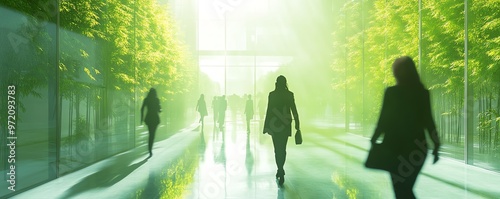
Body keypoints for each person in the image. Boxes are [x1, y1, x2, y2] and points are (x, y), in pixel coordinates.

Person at [370, 56, 441, 199]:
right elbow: (429, 121)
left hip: (394, 149)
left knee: (401, 190)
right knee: (404, 189)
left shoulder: (391, 92)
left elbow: (384, 119)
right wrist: (436, 145)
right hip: (417, 149)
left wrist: (374, 139)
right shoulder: (422, 93)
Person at [263, 75, 300, 186]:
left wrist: (266, 127)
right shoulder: (289, 95)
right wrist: (297, 124)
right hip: (285, 124)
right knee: (283, 148)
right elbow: (294, 109)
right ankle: (281, 169)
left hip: (275, 125)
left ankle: (279, 169)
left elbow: (269, 110)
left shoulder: (272, 95)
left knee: (276, 149)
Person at [141, 88, 162, 158]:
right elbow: (159, 110)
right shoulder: (157, 100)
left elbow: (142, 109)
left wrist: (142, 118)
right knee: (152, 135)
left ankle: (149, 149)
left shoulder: (146, 99)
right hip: (155, 119)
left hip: (149, 118)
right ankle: (150, 149)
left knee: (150, 133)